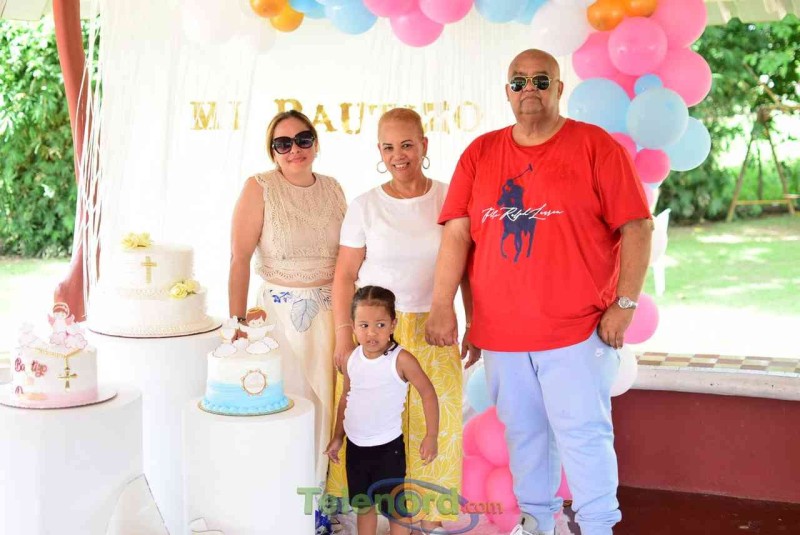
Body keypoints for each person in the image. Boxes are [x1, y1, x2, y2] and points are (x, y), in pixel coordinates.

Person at [425, 50, 653, 535]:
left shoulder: (595, 147)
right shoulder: (480, 152)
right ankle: (536, 526)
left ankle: (597, 528)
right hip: (502, 335)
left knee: (584, 437)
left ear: (559, 88)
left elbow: (637, 227)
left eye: (541, 80)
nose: (530, 88)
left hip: (577, 331)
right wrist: (444, 305)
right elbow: (458, 234)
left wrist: (625, 304)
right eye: (519, 81)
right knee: (525, 438)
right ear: (507, 91)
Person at [326, 108, 479, 531]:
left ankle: (424, 516)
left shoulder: (450, 198)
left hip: (435, 325)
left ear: (424, 145)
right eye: (389, 147)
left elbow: (466, 269)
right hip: (374, 331)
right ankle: (365, 513)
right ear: (379, 151)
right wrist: (344, 335)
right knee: (371, 422)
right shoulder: (364, 206)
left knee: (433, 420)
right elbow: (344, 276)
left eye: (407, 145)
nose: (399, 155)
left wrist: (473, 324)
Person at [228, 110, 347, 492]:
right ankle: (285, 495)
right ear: (273, 151)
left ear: (316, 143)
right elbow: (239, 259)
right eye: (283, 143)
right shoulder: (259, 187)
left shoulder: (333, 188)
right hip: (279, 319)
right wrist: (236, 323)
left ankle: (323, 497)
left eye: (303, 139)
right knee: (291, 402)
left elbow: (350, 256)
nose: (294, 149)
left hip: (332, 315)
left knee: (332, 404)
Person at [325, 286, 439, 535]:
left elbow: (428, 393)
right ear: (353, 326)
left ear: (393, 325)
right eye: (364, 325)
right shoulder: (351, 358)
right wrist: (337, 437)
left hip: (387, 449)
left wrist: (431, 436)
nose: (371, 333)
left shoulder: (401, 360)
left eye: (380, 325)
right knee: (363, 505)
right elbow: (346, 398)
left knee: (394, 508)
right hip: (356, 448)